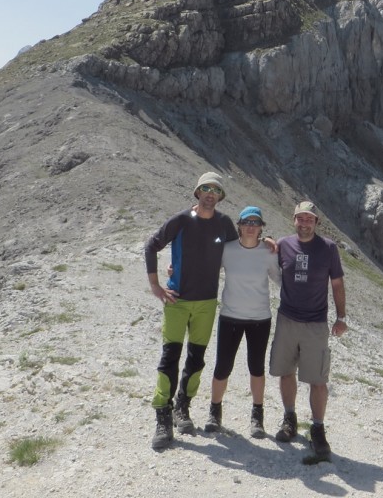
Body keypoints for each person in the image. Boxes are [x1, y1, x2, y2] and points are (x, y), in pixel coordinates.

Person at [145, 171, 238, 451]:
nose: (211, 194)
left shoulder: (224, 224)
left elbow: (239, 251)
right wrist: (156, 287)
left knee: (196, 359)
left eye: (216, 190)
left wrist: (269, 243)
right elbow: (151, 245)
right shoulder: (182, 220)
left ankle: (182, 408)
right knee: (170, 357)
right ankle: (163, 415)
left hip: (207, 302)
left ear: (220, 196)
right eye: (206, 188)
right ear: (197, 192)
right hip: (177, 300)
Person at [269, 200, 348, 459]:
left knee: (318, 380)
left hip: (316, 323)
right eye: (300, 218)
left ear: (316, 223)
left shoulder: (328, 248)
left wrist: (341, 317)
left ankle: (317, 428)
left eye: (309, 219)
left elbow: (336, 284)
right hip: (287, 319)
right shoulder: (283, 245)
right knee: (286, 371)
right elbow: (260, 256)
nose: (304, 223)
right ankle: (289, 418)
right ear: (294, 220)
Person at [201, 206, 281, 438]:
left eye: (255, 223)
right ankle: (214, 412)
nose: (250, 227)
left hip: (259, 318)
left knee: (256, 367)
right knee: (222, 366)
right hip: (230, 316)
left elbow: (279, 279)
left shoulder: (269, 252)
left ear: (261, 228)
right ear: (239, 225)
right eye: (246, 222)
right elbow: (207, 269)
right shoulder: (227, 249)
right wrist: (175, 270)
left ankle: (257, 416)